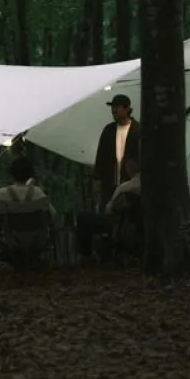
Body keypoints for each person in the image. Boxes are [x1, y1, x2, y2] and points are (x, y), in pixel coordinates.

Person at [76, 94, 142, 259]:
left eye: (117, 107)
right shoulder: (109, 130)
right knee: (106, 213)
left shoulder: (137, 130)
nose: (113, 111)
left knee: (124, 215)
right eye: (113, 108)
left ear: (127, 109)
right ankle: (106, 252)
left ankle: (123, 247)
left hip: (129, 181)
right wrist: (97, 179)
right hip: (109, 182)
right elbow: (101, 157)